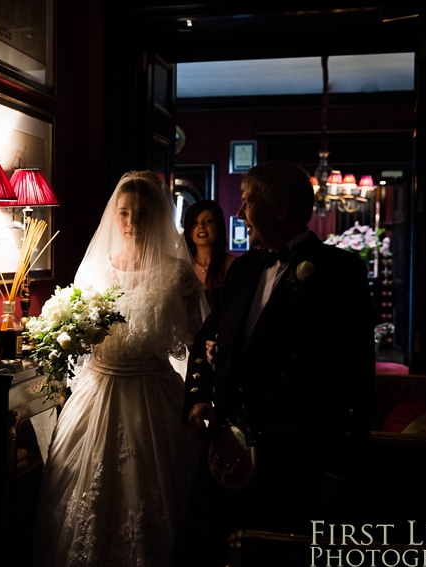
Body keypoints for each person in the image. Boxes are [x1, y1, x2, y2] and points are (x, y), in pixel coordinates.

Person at [174, 162, 374, 565]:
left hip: (294, 459)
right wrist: (196, 398)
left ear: (279, 210)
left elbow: (354, 380)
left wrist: (339, 471)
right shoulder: (243, 268)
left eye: (248, 203)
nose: (241, 213)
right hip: (226, 452)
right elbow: (204, 339)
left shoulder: (339, 274)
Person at [34, 171, 208, 567]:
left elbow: (196, 340)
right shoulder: (96, 268)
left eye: (142, 215)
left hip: (153, 393)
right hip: (98, 390)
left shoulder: (178, 273)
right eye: (124, 214)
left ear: (159, 218)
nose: (131, 224)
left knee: (151, 493)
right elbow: (76, 328)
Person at [183, 200, 236, 309]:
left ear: (218, 227)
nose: (201, 226)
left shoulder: (233, 265)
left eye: (208, 221)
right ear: (189, 232)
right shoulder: (183, 268)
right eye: (195, 222)